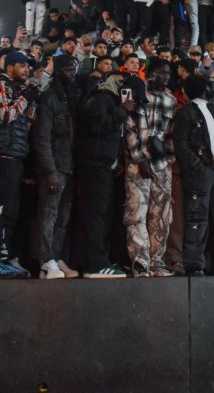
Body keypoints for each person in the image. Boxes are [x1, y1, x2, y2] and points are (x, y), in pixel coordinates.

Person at [0, 51, 38, 278]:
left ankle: (3, 257)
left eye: (28, 67)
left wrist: (30, 101)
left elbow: (25, 124)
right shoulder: (1, 84)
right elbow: (4, 115)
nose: (27, 70)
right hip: (2, 157)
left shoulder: (18, 89)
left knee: (10, 212)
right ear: (10, 67)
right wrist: (25, 99)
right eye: (22, 66)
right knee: (0, 210)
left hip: (16, 156)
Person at [77, 68, 136, 278]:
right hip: (93, 164)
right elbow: (99, 126)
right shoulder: (101, 98)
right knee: (95, 215)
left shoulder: (111, 102)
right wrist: (122, 109)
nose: (123, 89)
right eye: (120, 83)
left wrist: (117, 159)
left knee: (103, 214)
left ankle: (100, 261)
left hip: (105, 165)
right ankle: (94, 264)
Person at [122, 59, 178, 277]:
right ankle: (140, 261)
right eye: (161, 73)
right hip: (138, 164)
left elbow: (172, 133)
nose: (165, 77)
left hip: (162, 165)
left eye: (168, 74)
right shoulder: (137, 93)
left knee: (161, 215)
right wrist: (139, 158)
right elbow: (129, 128)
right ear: (151, 73)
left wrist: (167, 158)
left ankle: (156, 261)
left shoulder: (171, 100)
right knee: (137, 212)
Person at [172, 74, 214, 276]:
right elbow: (180, 144)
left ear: (185, 91)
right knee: (197, 218)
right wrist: (197, 165)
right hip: (203, 171)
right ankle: (194, 263)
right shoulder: (186, 112)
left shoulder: (210, 110)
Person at [32, 54, 82, 279]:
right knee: (48, 214)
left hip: (69, 165)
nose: (72, 73)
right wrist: (50, 170)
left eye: (74, 69)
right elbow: (42, 137)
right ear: (57, 71)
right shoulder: (49, 97)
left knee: (63, 216)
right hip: (55, 167)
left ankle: (56, 256)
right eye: (68, 69)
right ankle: (45, 260)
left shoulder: (70, 97)